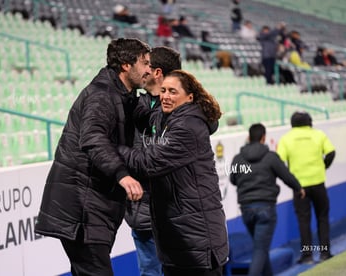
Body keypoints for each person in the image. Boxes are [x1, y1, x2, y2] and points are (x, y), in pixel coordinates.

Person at [34, 38, 151, 276]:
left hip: (93, 207)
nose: (149, 69)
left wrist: (157, 92)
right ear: (126, 65)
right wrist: (122, 175)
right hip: (80, 208)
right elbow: (93, 138)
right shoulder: (101, 94)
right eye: (145, 63)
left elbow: (148, 118)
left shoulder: (126, 96)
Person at [119, 70, 229, 276]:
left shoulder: (188, 126)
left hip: (196, 241)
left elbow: (147, 162)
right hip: (179, 238)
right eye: (163, 91)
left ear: (189, 97)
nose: (166, 96)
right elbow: (146, 117)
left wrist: (112, 148)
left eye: (172, 91)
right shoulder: (168, 118)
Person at [125, 46, 182, 276]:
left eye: (146, 64)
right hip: (143, 211)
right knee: (150, 271)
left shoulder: (183, 108)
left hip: (176, 211)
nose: (142, 69)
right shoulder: (131, 103)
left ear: (156, 72)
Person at [230, 123, 305, 276]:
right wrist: (299, 188)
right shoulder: (271, 157)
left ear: (248, 137)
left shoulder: (238, 159)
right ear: (264, 138)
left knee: (261, 249)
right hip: (266, 208)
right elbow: (286, 176)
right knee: (260, 249)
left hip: (246, 210)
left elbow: (232, 179)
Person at [277, 111, 336, 264]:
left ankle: (307, 255)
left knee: (304, 221)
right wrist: (323, 167)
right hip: (318, 182)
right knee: (322, 217)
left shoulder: (286, 139)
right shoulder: (319, 135)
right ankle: (325, 252)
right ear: (310, 122)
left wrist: (291, 179)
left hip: (299, 187)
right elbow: (331, 153)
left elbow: (279, 161)